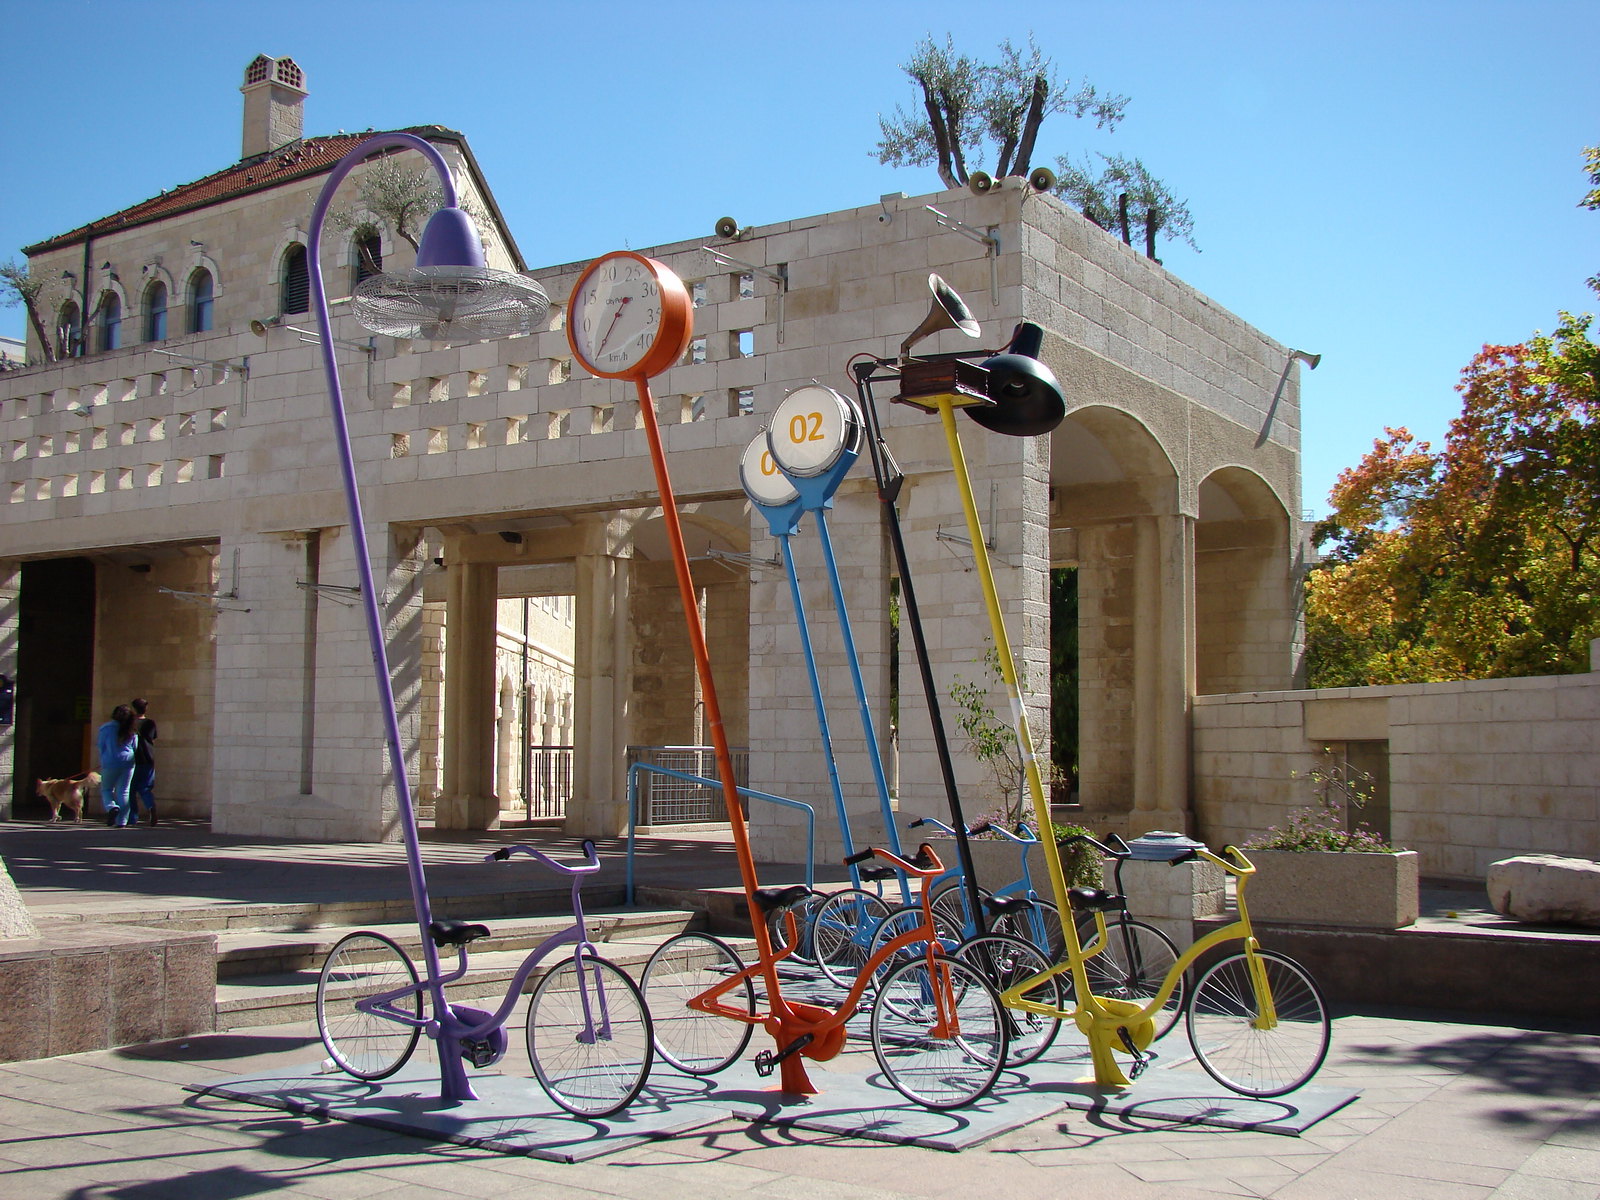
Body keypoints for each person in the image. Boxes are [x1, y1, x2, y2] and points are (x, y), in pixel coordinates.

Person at [97, 704, 138, 828]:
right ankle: (122, 821)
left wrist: (104, 758)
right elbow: (135, 747)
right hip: (128, 763)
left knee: (107, 789)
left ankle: (112, 807)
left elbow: (101, 746)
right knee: (124, 791)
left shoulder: (105, 728)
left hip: (110, 762)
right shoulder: (132, 730)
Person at [130, 697, 158, 826]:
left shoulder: (130, 723)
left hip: (133, 759)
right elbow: (153, 739)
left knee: (131, 789)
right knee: (145, 788)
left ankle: (132, 817)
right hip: (148, 758)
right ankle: (150, 807)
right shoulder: (150, 723)